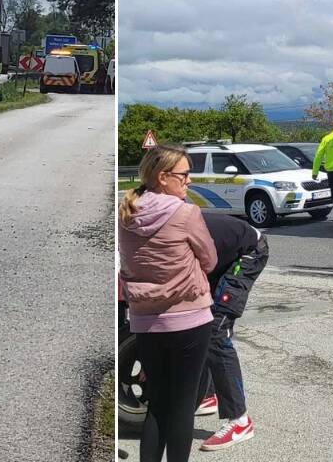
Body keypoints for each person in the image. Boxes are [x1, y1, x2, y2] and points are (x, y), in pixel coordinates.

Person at [119, 144, 217, 462]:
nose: (189, 181)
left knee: (157, 404)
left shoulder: (126, 210)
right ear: (163, 177)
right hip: (189, 320)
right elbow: (210, 259)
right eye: (185, 175)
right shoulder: (186, 213)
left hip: (145, 321)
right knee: (182, 405)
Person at [194, 216, 268, 451]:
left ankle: (239, 421)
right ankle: (207, 395)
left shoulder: (172, 229)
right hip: (220, 257)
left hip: (249, 252)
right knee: (200, 318)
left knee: (217, 328)